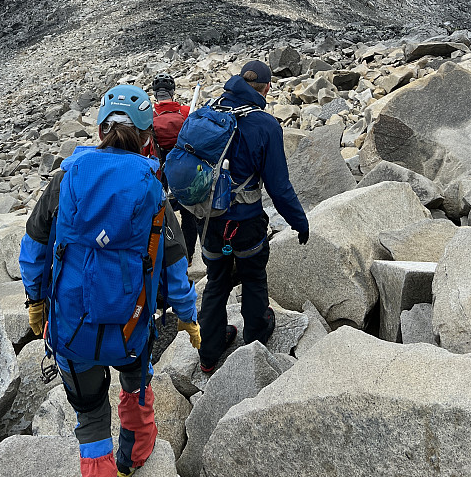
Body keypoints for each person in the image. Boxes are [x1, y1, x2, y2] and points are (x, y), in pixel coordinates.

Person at [19, 84, 199, 477]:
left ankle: (99, 467)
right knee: (136, 387)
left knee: (90, 417)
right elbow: (174, 268)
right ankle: (132, 460)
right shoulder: (152, 188)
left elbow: (32, 251)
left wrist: (35, 303)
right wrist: (187, 317)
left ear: (101, 130)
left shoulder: (66, 179)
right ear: (148, 136)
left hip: (70, 327)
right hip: (131, 327)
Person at [197, 60, 309, 374]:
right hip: (244, 221)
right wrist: (299, 222)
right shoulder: (266, 125)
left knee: (217, 280)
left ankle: (210, 351)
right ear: (267, 88)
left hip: (206, 220)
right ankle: (256, 337)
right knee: (254, 277)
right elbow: (279, 186)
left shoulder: (208, 111)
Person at [150, 73, 198, 263]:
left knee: (159, 210)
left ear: (156, 94)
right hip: (184, 167)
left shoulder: (149, 117)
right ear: (172, 92)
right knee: (189, 212)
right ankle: (189, 254)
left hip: (160, 168)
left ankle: (161, 249)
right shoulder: (186, 112)